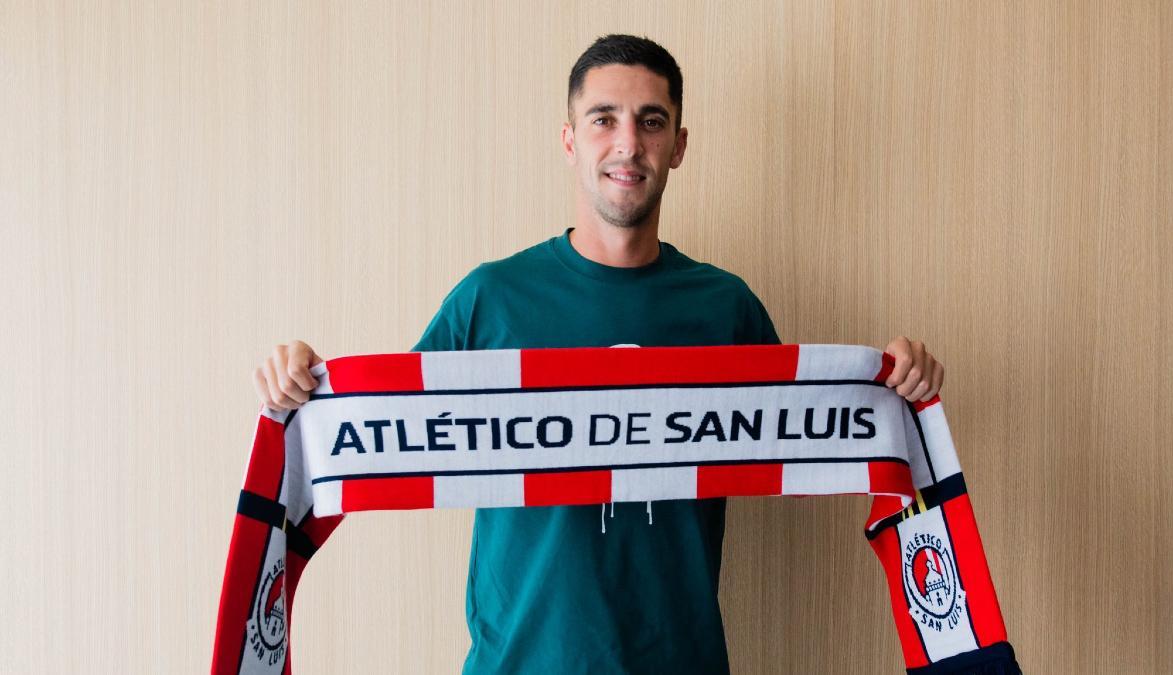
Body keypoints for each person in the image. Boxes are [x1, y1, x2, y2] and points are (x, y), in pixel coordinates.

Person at [251, 34, 945, 675]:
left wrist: (895, 389)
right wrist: (305, 387)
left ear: (677, 144)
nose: (627, 143)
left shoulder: (725, 307)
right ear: (570, 139)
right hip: (517, 663)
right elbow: (384, 440)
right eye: (603, 119)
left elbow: (813, 438)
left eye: (650, 120)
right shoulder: (490, 299)